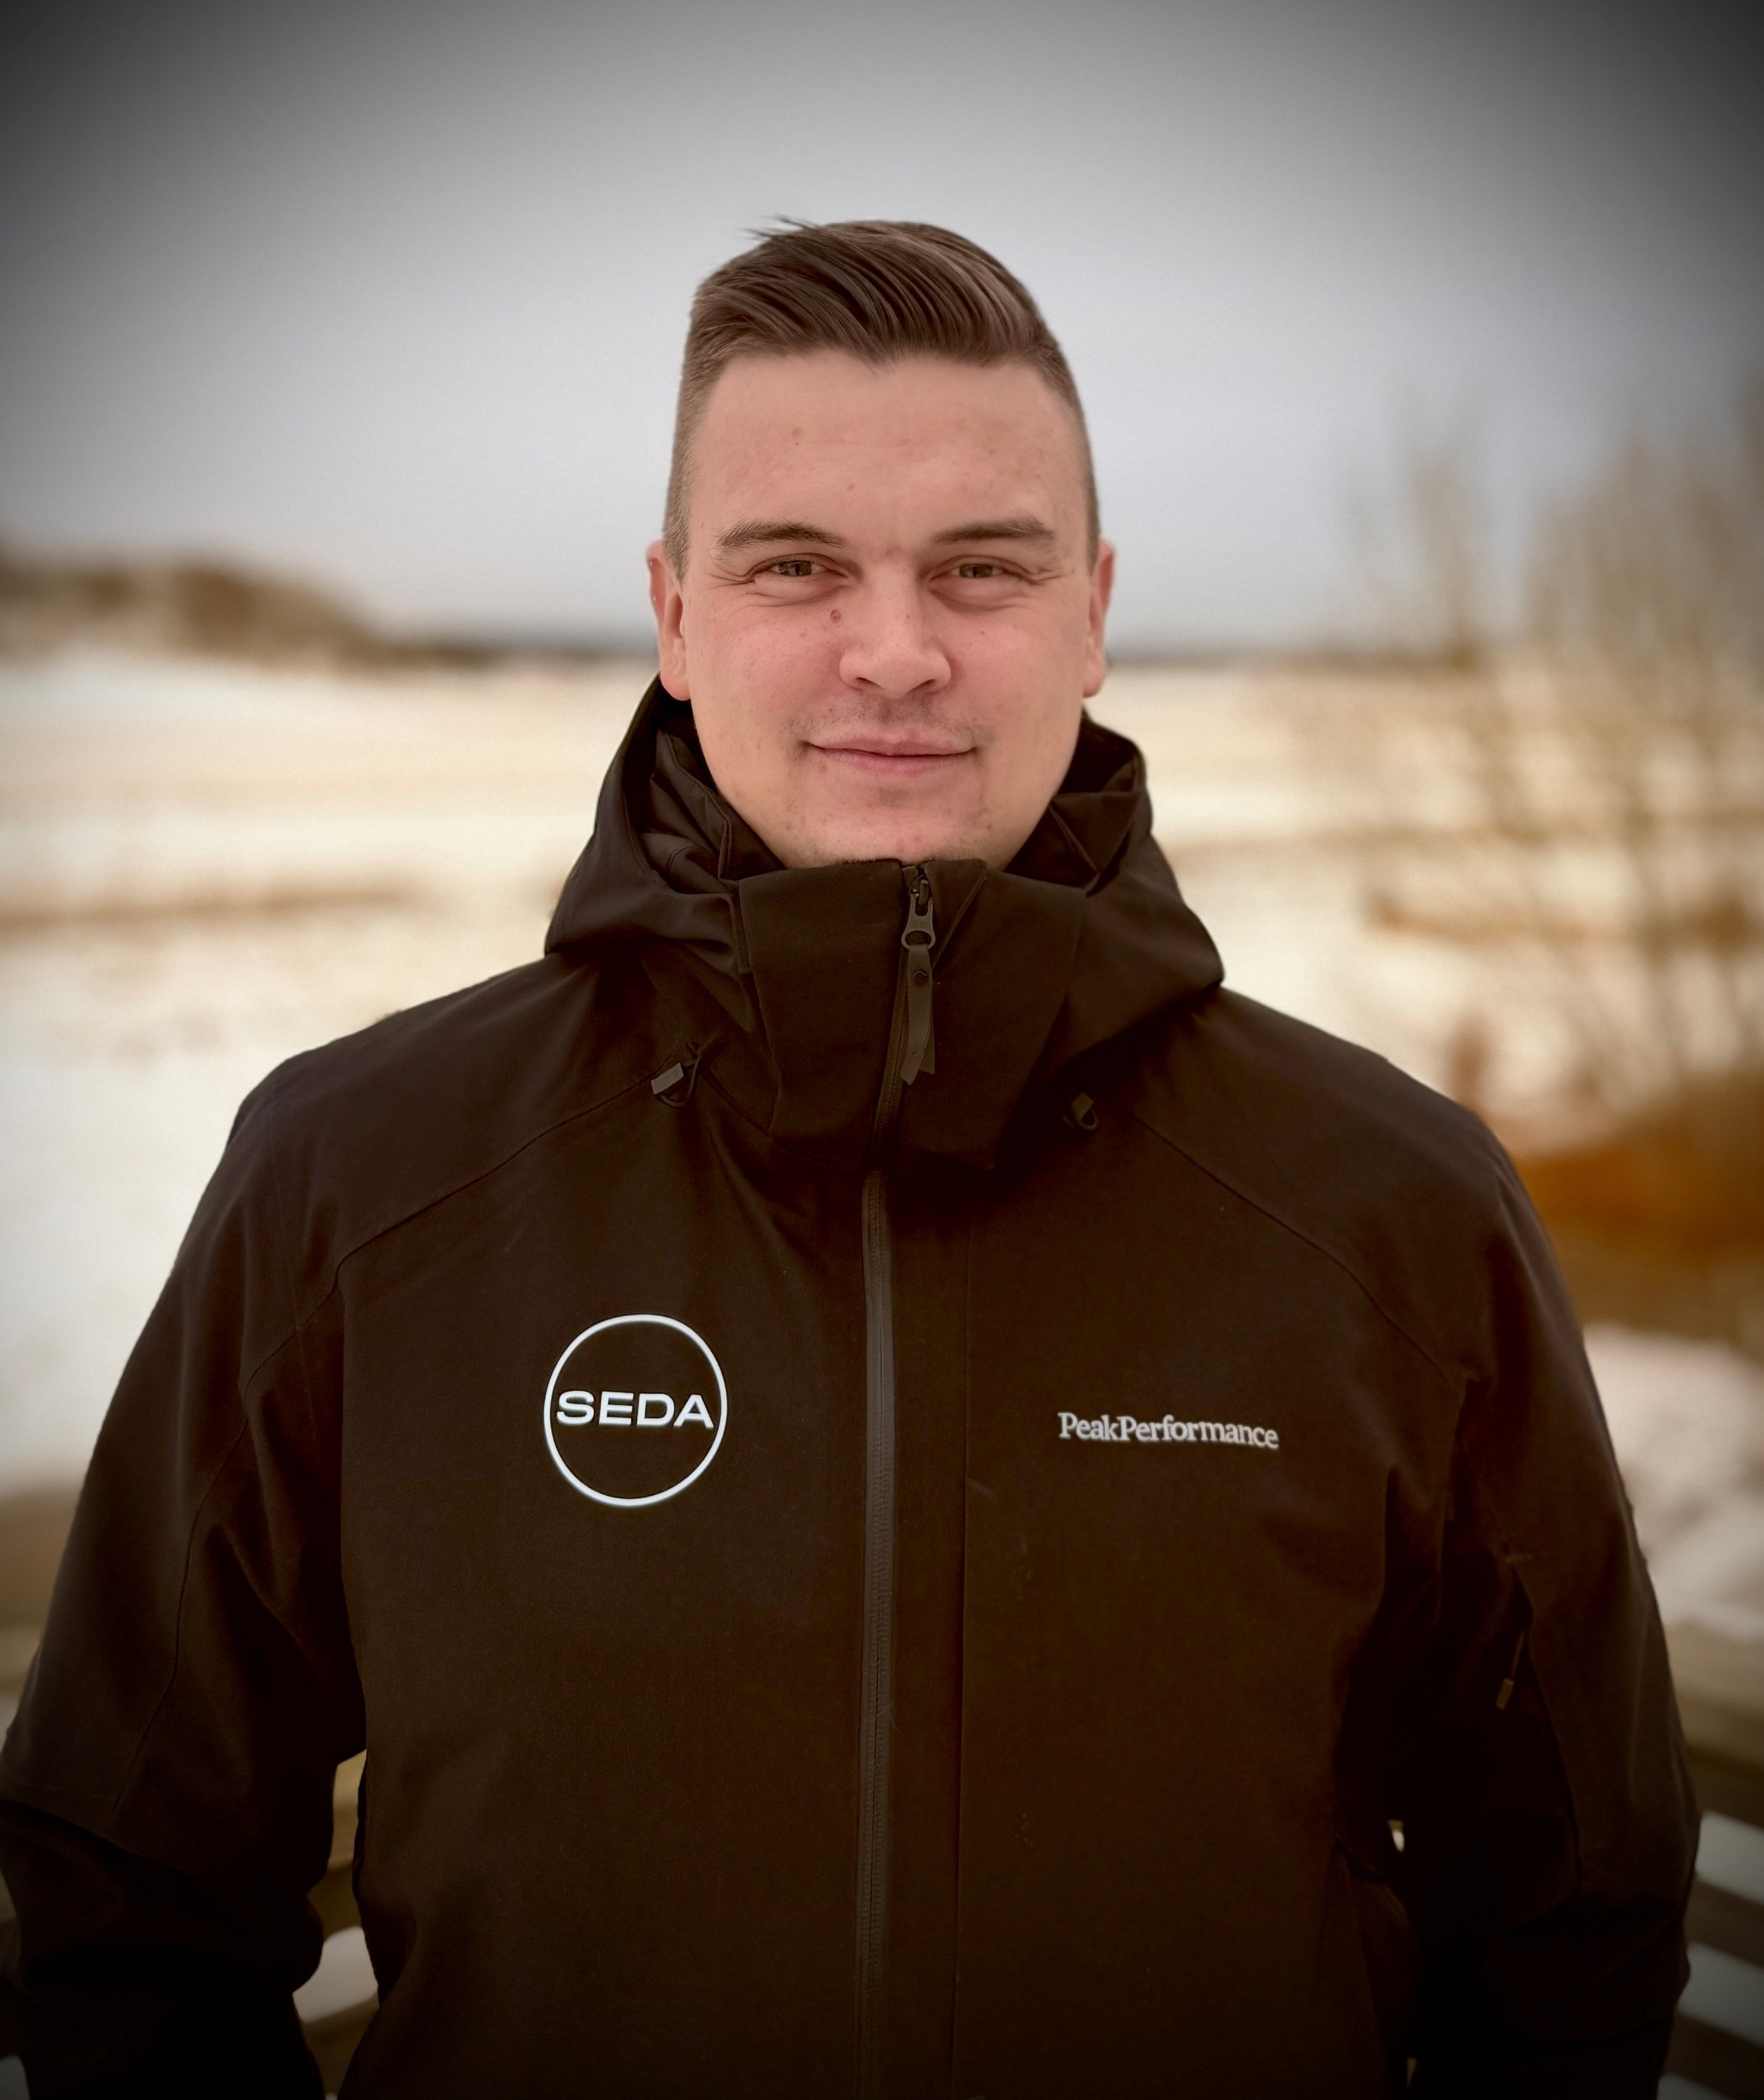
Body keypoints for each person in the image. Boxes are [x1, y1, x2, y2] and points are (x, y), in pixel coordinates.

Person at [0, 221, 1694, 2097]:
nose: (890, 650)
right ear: (666, 612)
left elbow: (1570, 1903)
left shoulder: (1386, 1209)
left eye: (979, 567)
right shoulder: (358, 1181)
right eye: (795, 565)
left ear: (1092, 610)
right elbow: (126, 1876)